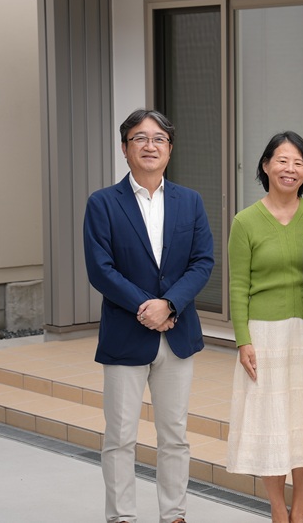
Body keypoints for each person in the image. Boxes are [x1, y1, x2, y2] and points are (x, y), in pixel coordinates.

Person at [83, 109, 214, 523]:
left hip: (177, 334)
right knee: (120, 436)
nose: (150, 146)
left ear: (170, 150)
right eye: (140, 138)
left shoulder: (189, 201)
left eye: (159, 139)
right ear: (125, 149)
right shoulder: (103, 203)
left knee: (174, 435)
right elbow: (100, 269)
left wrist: (169, 304)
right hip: (126, 334)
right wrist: (148, 307)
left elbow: (202, 262)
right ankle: (122, 517)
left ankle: (174, 514)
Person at [226, 131, 303, 523]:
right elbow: (238, 285)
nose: (290, 169)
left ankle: (299, 511)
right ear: (266, 165)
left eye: (298, 162)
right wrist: (243, 340)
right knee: (271, 421)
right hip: (263, 335)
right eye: (282, 160)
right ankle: (277, 509)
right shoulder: (245, 221)